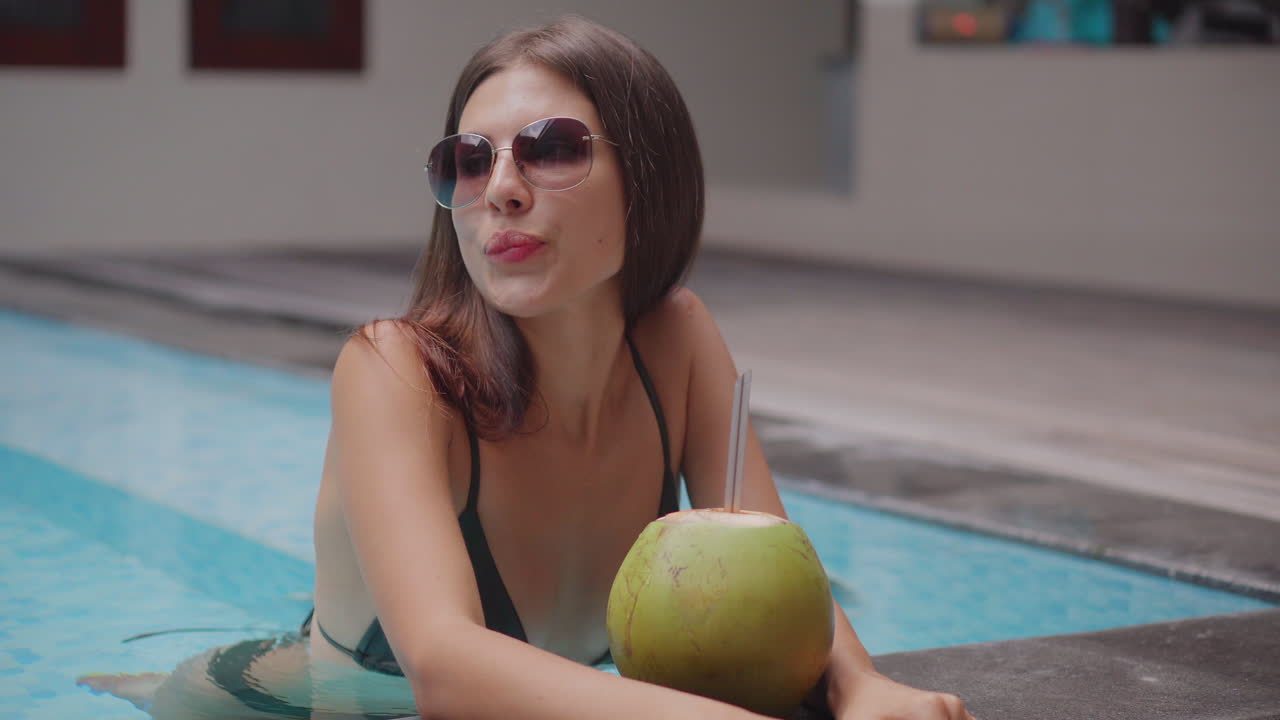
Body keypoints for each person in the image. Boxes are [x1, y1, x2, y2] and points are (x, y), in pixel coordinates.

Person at [81, 15, 973, 720]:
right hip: (307, 700)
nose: (500, 187)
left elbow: (780, 569)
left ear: (647, 177)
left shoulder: (680, 340)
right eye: (469, 162)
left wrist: (861, 688)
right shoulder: (394, 368)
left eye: (550, 148)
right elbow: (444, 669)